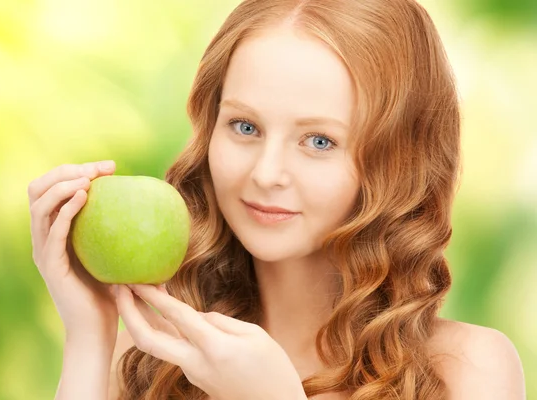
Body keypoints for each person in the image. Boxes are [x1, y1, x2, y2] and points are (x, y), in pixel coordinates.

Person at [27, 0, 526, 399]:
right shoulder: (144, 357)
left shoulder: (466, 370)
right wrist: (90, 339)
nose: (266, 174)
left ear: (399, 163)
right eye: (245, 127)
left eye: (319, 141)